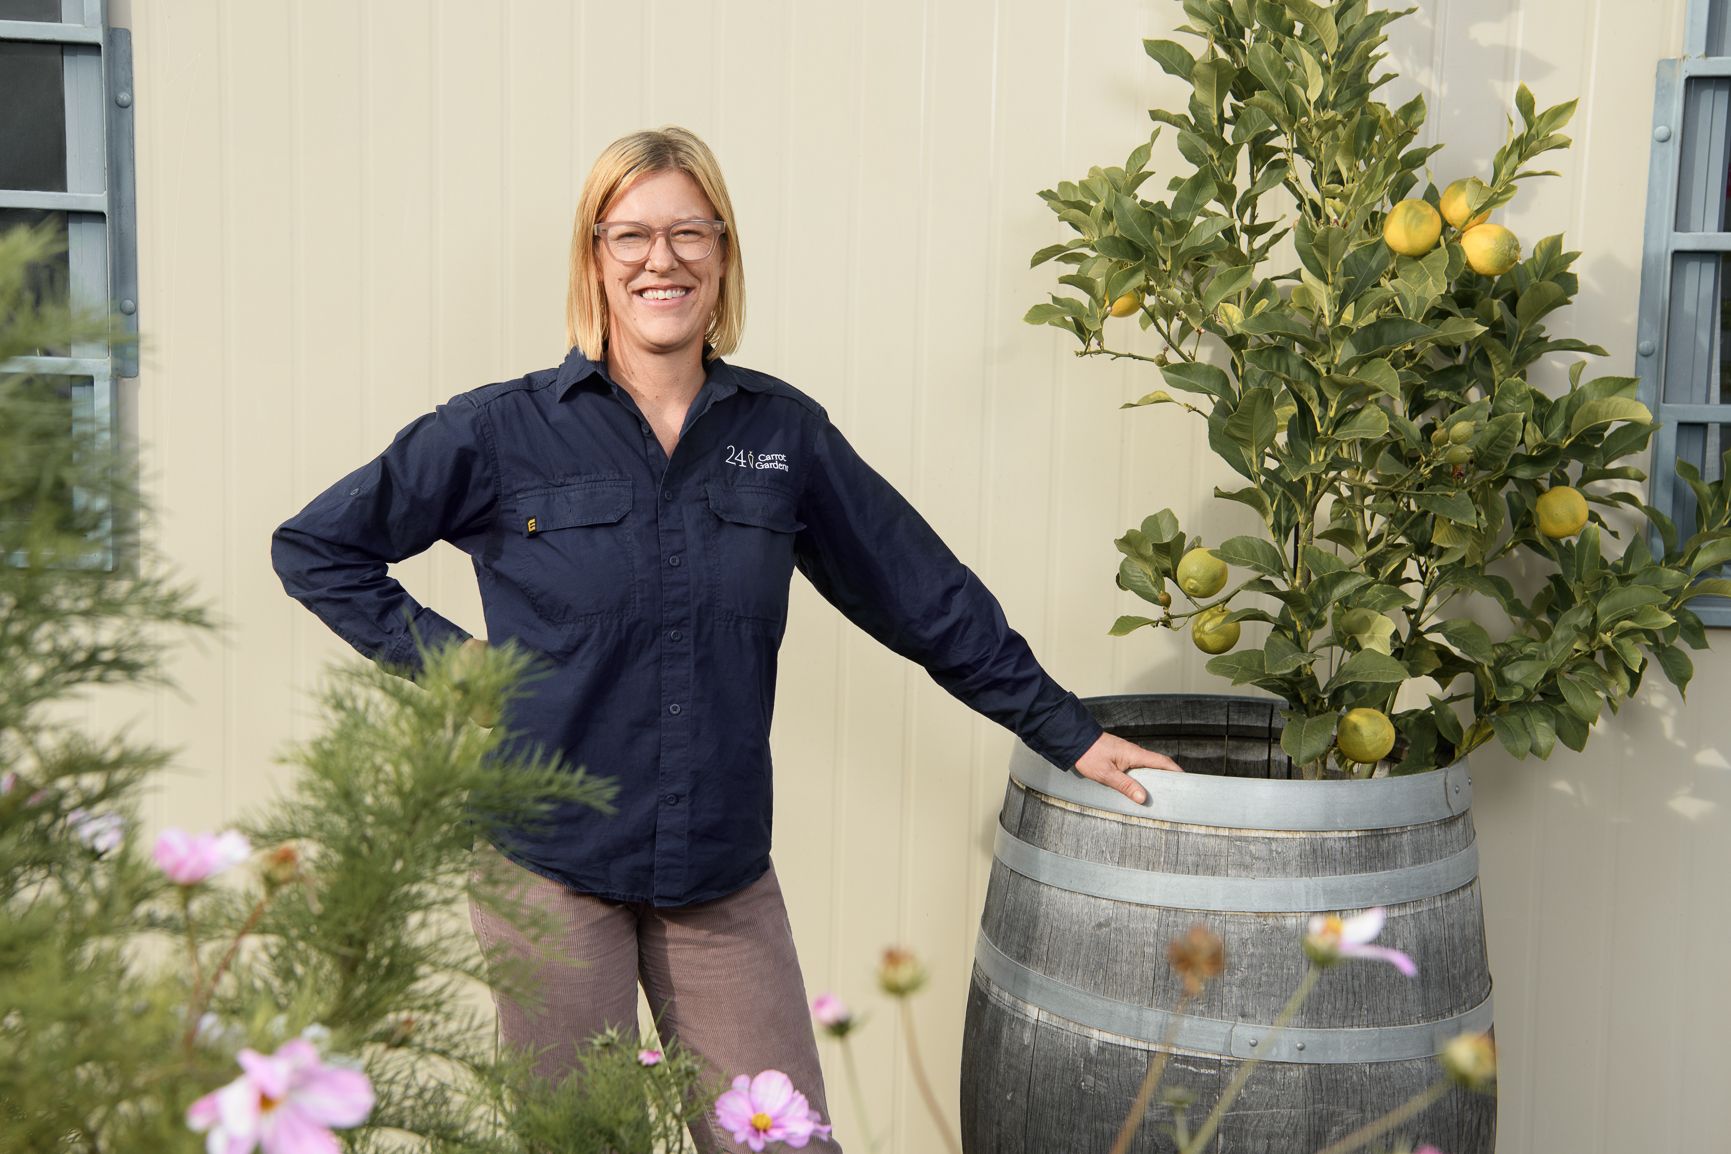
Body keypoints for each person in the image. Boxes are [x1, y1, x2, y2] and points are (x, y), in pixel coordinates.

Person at [271, 125, 1180, 1153]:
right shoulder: (499, 432)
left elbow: (924, 594)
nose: (662, 259)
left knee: (781, 1142)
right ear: (594, 256)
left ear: (723, 254)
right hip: (549, 864)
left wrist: (1070, 731)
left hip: (718, 864)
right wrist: (452, 664)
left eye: (689, 233)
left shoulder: (782, 437)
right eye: (632, 234)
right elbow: (317, 547)